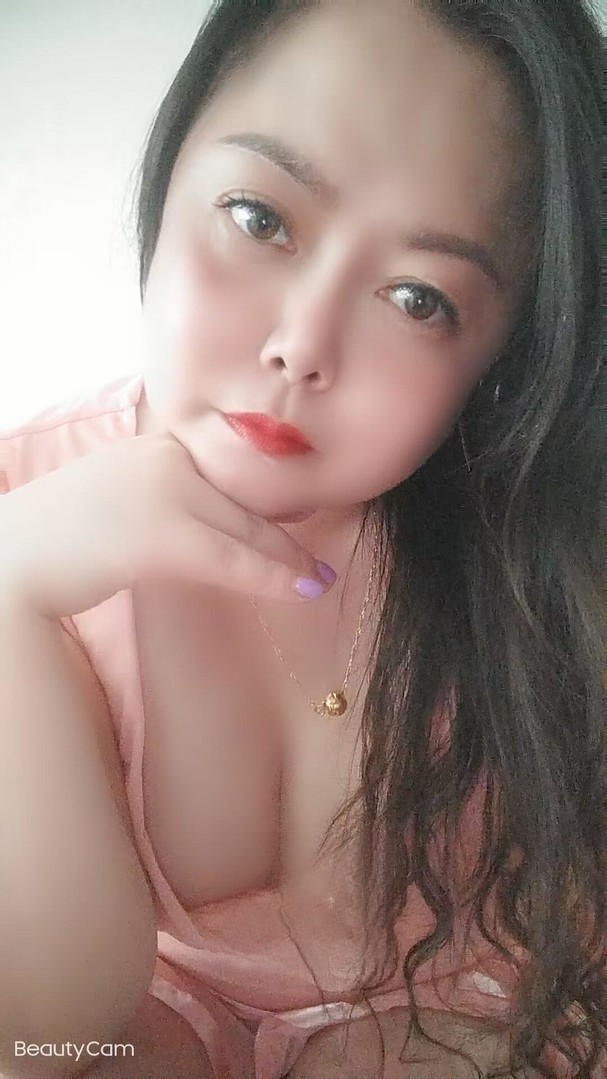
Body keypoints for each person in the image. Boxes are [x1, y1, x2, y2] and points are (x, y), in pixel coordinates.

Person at [0, 0, 604, 1076]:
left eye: (417, 296)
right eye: (258, 218)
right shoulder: (21, 504)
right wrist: (10, 599)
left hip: (478, 1006)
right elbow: (50, 1030)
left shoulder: (539, 533)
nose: (300, 343)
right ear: (169, 171)